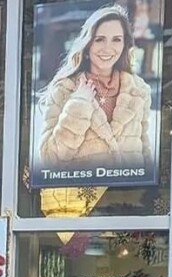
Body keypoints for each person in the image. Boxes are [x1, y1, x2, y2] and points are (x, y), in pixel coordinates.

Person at [37, 5, 152, 170]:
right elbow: (50, 159)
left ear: (125, 45)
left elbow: (145, 156)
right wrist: (79, 104)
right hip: (81, 194)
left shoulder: (139, 91)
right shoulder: (65, 89)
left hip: (129, 195)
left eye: (116, 39)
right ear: (87, 44)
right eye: (99, 39)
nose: (108, 48)